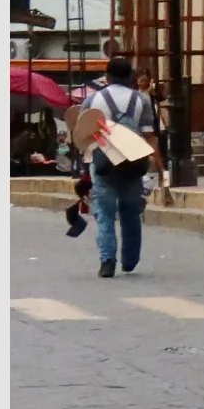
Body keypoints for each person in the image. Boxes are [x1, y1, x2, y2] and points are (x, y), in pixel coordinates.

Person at [80, 55, 159, 278]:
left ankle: (107, 261)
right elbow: (149, 135)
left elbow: (82, 136)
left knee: (104, 213)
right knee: (131, 212)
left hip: (103, 163)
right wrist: (154, 162)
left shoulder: (92, 100)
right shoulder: (141, 100)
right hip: (133, 162)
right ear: (130, 77)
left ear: (107, 76)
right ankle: (130, 260)